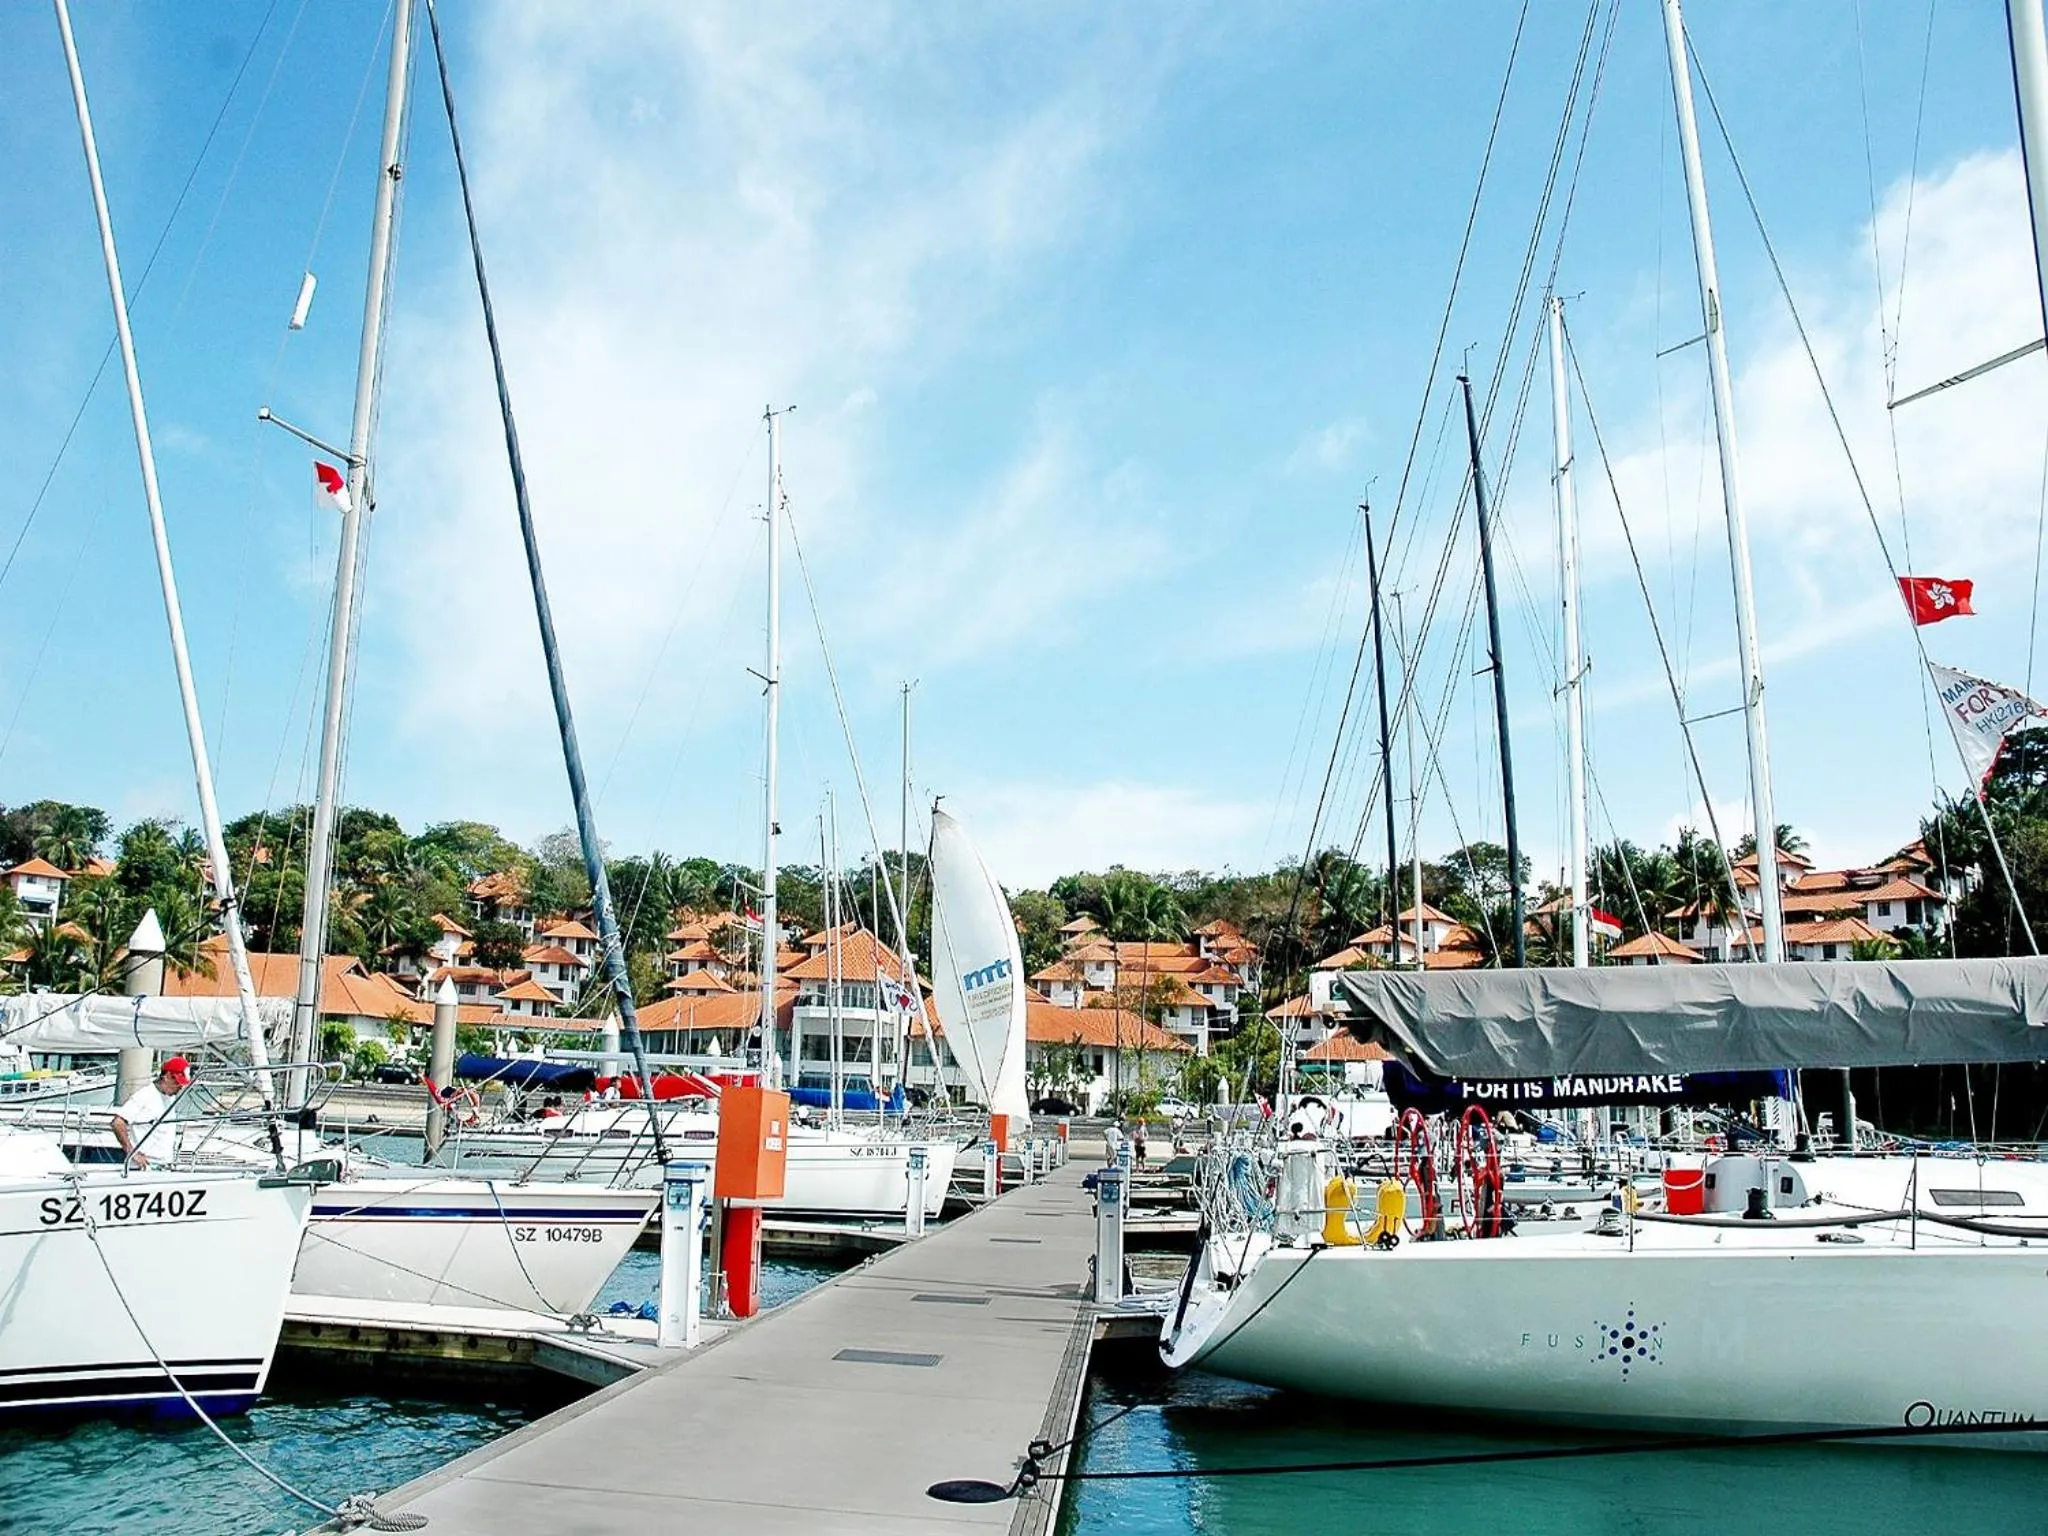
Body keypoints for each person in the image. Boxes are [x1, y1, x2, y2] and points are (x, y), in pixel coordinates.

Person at [112, 1055, 191, 1169]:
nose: (180, 1087)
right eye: (178, 1083)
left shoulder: (170, 1096)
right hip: (145, 1166)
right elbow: (117, 1123)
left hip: (165, 1164)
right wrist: (132, 1152)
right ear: (167, 1076)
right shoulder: (145, 1095)